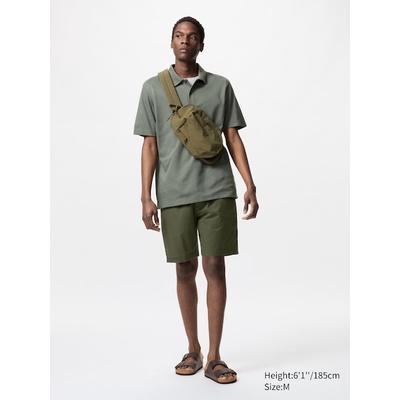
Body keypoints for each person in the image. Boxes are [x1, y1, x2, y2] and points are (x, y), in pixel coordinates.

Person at [133, 16, 259, 384]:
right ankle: (193, 348)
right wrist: (145, 196)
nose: (185, 41)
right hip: (173, 195)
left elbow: (232, 137)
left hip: (217, 190)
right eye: (178, 36)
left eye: (192, 37)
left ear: (201, 45)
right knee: (184, 270)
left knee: (215, 267)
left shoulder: (220, 86)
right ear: (171, 42)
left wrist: (249, 183)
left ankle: (215, 357)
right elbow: (149, 145)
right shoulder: (152, 89)